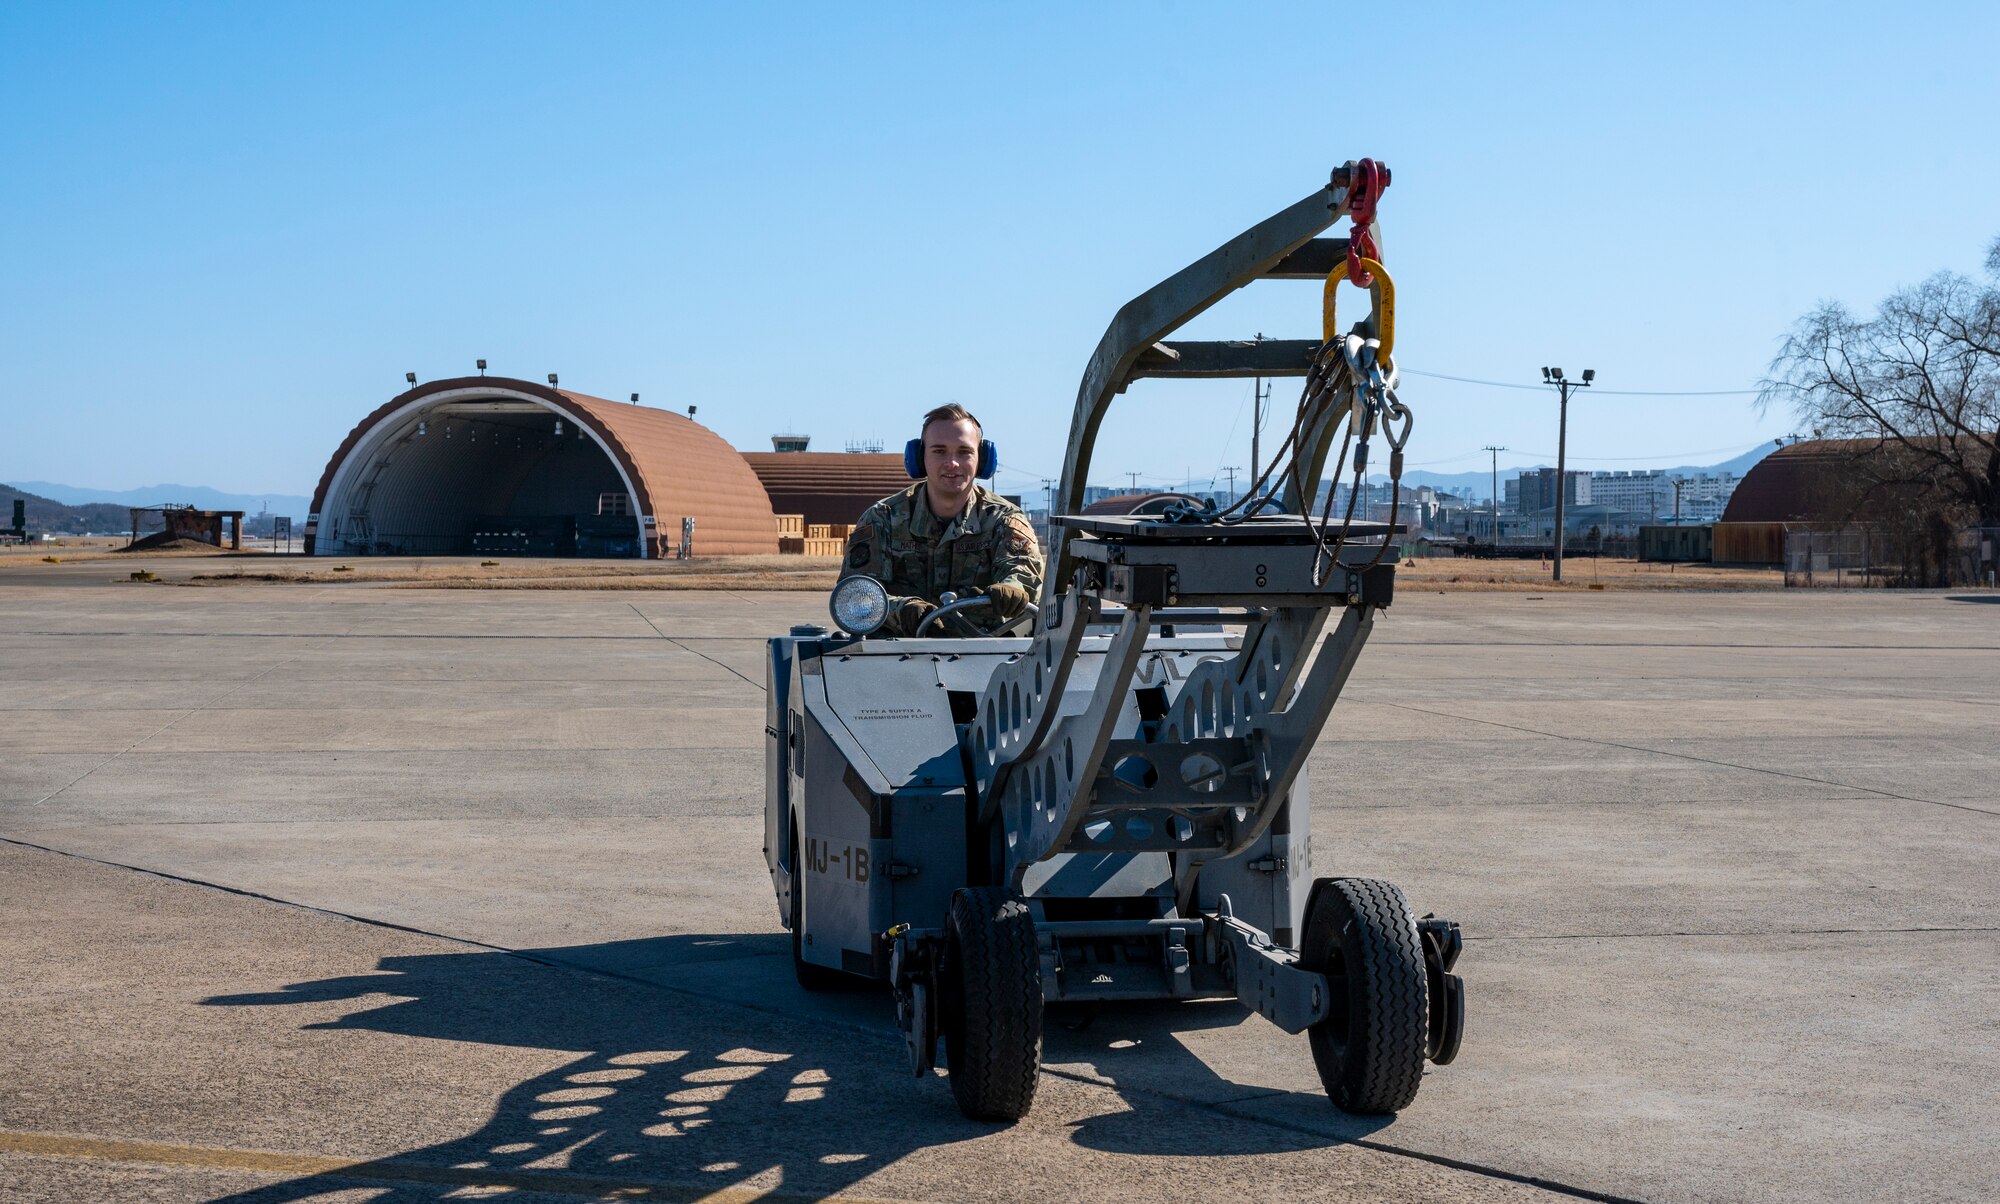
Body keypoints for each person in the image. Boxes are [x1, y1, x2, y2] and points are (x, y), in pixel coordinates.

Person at [839, 403, 1043, 636]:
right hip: (896, 657)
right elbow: (855, 595)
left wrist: (1011, 590)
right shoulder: (883, 519)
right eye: (939, 451)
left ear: (983, 460)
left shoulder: (1003, 520)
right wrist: (903, 610)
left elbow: (1023, 574)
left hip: (987, 655)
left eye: (964, 452)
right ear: (919, 458)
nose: (952, 463)